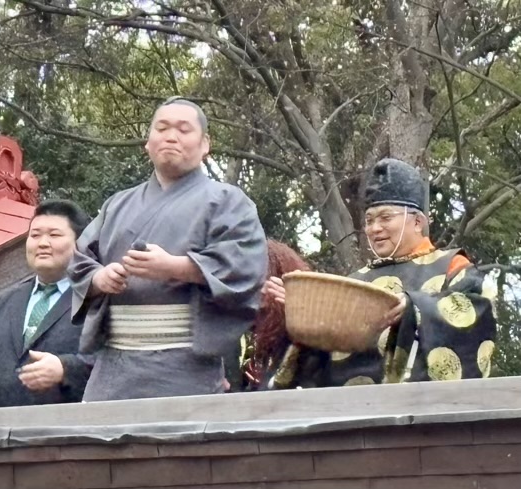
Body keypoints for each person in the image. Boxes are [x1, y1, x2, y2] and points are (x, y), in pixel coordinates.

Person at [69, 96, 268, 401]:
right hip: (114, 368)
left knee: (181, 444)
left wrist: (176, 267)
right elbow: (81, 260)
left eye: (183, 129)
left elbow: (245, 266)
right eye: (161, 128)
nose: (171, 136)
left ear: (205, 144)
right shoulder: (117, 204)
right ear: (147, 143)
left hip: (185, 364)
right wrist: (99, 279)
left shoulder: (228, 201)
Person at [264, 158, 497, 387]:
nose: (375, 228)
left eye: (386, 217)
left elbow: (476, 314)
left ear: (417, 222)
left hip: (420, 413)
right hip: (351, 410)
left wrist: (414, 308)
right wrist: (307, 310)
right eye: (369, 220)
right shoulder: (354, 282)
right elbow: (322, 354)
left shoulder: (452, 266)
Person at [0, 199, 93, 408]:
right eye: (35, 235)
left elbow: (115, 362)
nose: (42, 243)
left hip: (63, 434)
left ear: (81, 244)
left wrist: (66, 369)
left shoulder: (96, 301)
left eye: (54, 235)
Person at [240, 239, 311, 390]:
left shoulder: (305, 329)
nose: (260, 289)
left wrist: (300, 311)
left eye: (263, 277)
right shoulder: (244, 329)